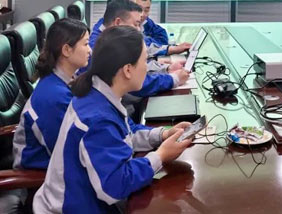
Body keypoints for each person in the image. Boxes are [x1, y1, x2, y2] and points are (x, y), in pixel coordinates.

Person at [33, 26, 193, 213]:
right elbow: (115, 186)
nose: (147, 68)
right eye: (144, 61)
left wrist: (162, 135)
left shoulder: (99, 93)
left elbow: (124, 134)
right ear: (127, 70)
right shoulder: (98, 118)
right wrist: (161, 156)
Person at [13, 19, 91, 170]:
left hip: (57, 167)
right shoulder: (54, 97)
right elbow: (70, 151)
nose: (90, 50)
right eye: (86, 44)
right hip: (39, 177)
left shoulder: (63, 80)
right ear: (66, 50)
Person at [86, 0, 189, 95]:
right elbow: (135, 82)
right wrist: (173, 79)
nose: (139, 30)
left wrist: (166, 69)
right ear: (118, 22)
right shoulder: (101, 48)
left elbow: (135, 70)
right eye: (136, 24)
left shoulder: (113, 39)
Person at [91, 0, 190, 55]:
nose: (141, 13)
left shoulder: (117, 36)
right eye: (132, 7)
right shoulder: (99, 46)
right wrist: (172, 77)